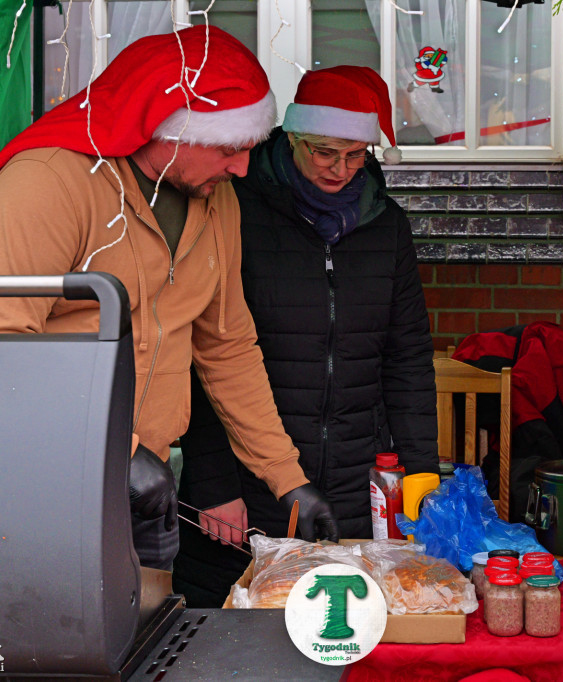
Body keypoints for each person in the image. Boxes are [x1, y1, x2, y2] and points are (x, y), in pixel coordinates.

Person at [0, 26, 338, 570]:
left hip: (142, 486)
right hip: (34, 474)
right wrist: (120, 454)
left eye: (249, 149)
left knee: (137, 638)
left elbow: (228, 347)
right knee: (44, 639)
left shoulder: (218, 200)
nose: (243, 169)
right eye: (229, 148)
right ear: (169, 128)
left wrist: (286, 478)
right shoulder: (48, 183)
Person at [171, 66, 439, 607]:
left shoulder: (387, 227)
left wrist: (420, 473)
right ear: (291, 138)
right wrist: (213, 485)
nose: (340, 169)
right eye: (324, 152)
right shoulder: (233, 211)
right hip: (245, 487)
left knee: (342, 627)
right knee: (235, 632)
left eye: (356, 154)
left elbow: (407, 357)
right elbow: (201, 355)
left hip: (355, 481)